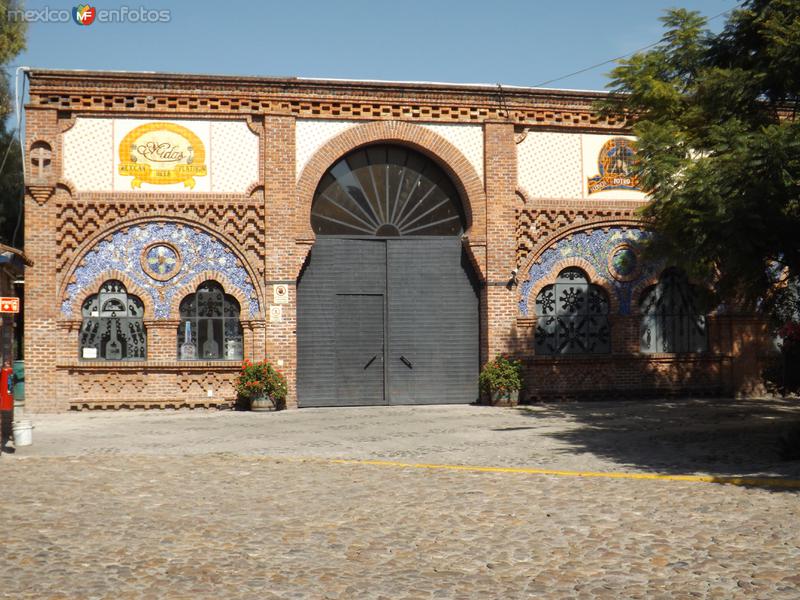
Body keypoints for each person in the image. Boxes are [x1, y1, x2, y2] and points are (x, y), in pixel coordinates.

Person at [0, 360, 14, 454]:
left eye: (8, 363)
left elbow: (9, 388)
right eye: (6, 363)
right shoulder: (6, 372)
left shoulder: (8, 372)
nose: (7, 365)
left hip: (6, 399)